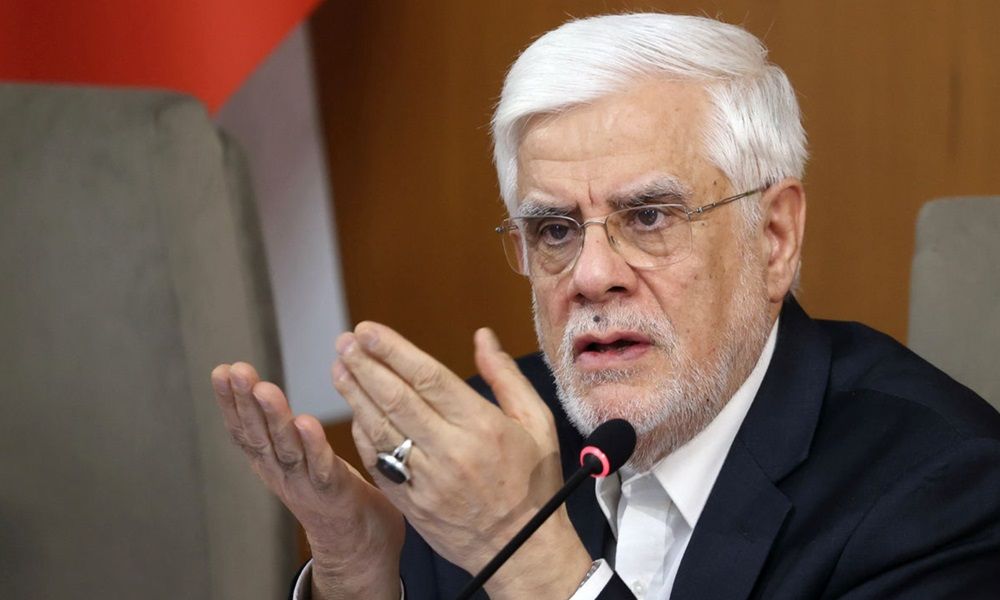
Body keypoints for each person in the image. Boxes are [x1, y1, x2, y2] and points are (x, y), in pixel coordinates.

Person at [210, 13, 1000, 600]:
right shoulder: (490, 438)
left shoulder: (941, 488)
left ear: (773, 236)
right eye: (555, 229)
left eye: (649, 216)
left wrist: (526, 556)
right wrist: (359, 575)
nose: (591, 276)